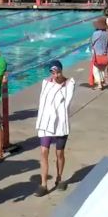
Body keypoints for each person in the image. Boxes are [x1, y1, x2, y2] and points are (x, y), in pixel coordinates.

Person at [34, 60, 75, 197]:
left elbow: (66, 102)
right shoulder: (46, 83)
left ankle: (59, 178)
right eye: (52, 72)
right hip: (46, 124)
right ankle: (44, 184)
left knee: (59, 154)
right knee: (44, 152)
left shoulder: (69, 84)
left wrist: (61, 84)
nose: (55, 75)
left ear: (61, 71)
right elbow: (43, 101)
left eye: (57, 72)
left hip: (60, 124)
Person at [90, 17, 108, 90]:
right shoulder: (107, 34)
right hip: (105, 54)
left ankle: (99, 84)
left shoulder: (96, 33)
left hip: (97, 54)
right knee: (101, 69)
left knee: (96, 69)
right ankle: (101, 81)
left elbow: (92, 43)